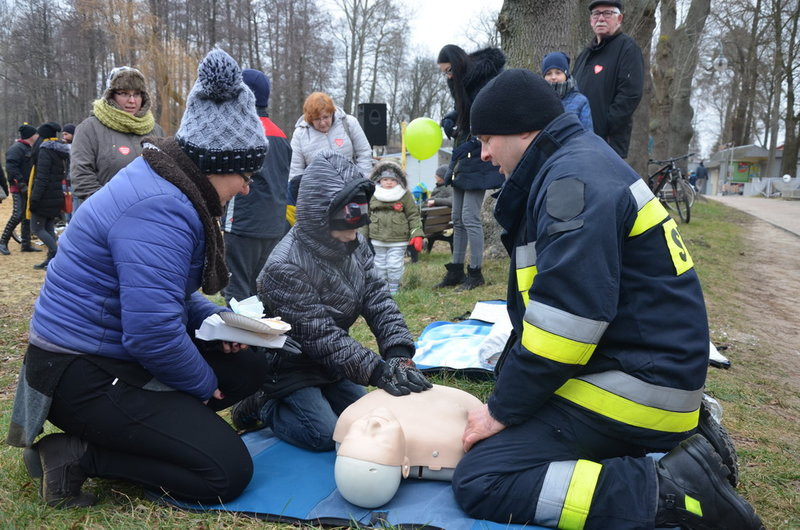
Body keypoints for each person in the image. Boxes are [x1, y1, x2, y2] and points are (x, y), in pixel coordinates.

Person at [450, 68, 763, 529]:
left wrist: (501, 409)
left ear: (522, 128)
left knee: (485, 477)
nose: (484, 152)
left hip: (640, 387)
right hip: (649, 371)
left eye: (487, 137)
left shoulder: (570, 183)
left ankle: (671, 494)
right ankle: (691, 450)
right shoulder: (578, 162)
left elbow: (565, 324)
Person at [7, 48, 271, 509]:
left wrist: (221, 322)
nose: (247, 187)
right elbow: (151, 331)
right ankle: (79, 455)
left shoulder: (172, 183)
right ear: (216, 163)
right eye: (245, 174)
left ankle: (164, 428)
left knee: (249, 363)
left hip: (109, 348)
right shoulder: (162, 207)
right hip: (80, 370)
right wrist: (202, 383)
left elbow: (163, 294)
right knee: (224, 472)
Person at [232, 151, 432, 452]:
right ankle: (262, 405)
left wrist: (398, 354)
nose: (353, 235)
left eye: (357, 225)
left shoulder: (355, 243)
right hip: (289, 366)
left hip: (333, 363)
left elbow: (378, 299)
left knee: (370, 417)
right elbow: (319, 335)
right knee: (325, 435)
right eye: (346, 226)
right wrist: (377, 371)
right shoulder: (284, 266)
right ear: (318, 217)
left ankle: (317, 397)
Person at [436, 45, 506, 291]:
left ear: (458, 64)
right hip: (462, 149)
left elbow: (484, 108)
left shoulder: (486, 78)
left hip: (479, 151)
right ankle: (455, 270)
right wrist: (451, 117)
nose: (448, 77)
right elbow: (466, 107)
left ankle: (475, 272)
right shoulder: (462, 80)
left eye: (449, 71)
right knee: (457, 217)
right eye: (444, 73)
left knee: (470, 216)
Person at [221, 68, 291, 305]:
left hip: (242, 224)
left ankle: (240, 341)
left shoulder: (240, 131)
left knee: (236, 290)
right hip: (273, 225)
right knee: (260, 292)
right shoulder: (281, 134)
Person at [70, 66, 164, 210]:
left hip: (151, 215)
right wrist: (110, 209)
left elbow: (168, 172)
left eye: (137, 94)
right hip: (107, 216)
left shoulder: (155, 129)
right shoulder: (89, 129)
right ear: (111, 95)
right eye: (124, 93)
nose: (132, 100)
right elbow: (82, 178)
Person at [573, 0, 644, 159]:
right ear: (591, 20)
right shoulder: (584, 55)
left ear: (619, 19)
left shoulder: (628, 48)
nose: (601, 18)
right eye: (596, 14)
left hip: (607, 144)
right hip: (577, 141)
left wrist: (604, 127)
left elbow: (630, 95)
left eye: (607, 13)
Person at [361, 161, 423, 295]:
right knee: (379, 265)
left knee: (394, 264)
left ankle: (394, 288)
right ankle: (382, 289)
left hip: (398, 239)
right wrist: (362, 237)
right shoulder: (373, 194)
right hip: (377, 238)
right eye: (385, 179)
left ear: (399, 180)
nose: (389, 182)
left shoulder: (404, 195)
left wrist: (416, 233)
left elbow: (413, 214)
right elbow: (366, 215)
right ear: (379, 180)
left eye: (392, 180)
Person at [289, 92, 372, 179]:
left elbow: (364, 153)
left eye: (325, 117)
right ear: (310, 119)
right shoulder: (300, 134)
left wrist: (361, 181)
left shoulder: (349, 123)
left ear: (332, 112)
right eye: (317, 119)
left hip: (351, 186)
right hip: (317, 190)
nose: (322, 123)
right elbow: (295, 170)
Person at [28, 122, 68, 271]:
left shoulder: (45, 151)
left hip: (44, 196)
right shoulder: (58, 150)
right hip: (55, 194)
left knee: (37, 228)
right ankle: (52, 261)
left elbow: (41, 178)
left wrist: (34, 199)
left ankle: (57, 254)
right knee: (48, 227)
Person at [0, 124, 41, 255]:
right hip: (18, 187)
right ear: (31, 136)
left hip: (28, 188)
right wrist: (21, 184)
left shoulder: (29, 148)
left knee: (26, 216)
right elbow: (11, 168)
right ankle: (2, 242)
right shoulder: (16, 148)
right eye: (36, 134)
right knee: (17, 214)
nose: (38, 136)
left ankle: (26, 244)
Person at [541, 51, 593, 131]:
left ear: (566, 75)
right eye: (549, 73)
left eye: (558, 73)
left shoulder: (580, 101)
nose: (553, 77)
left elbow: (587, 133)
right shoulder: (538, 99)